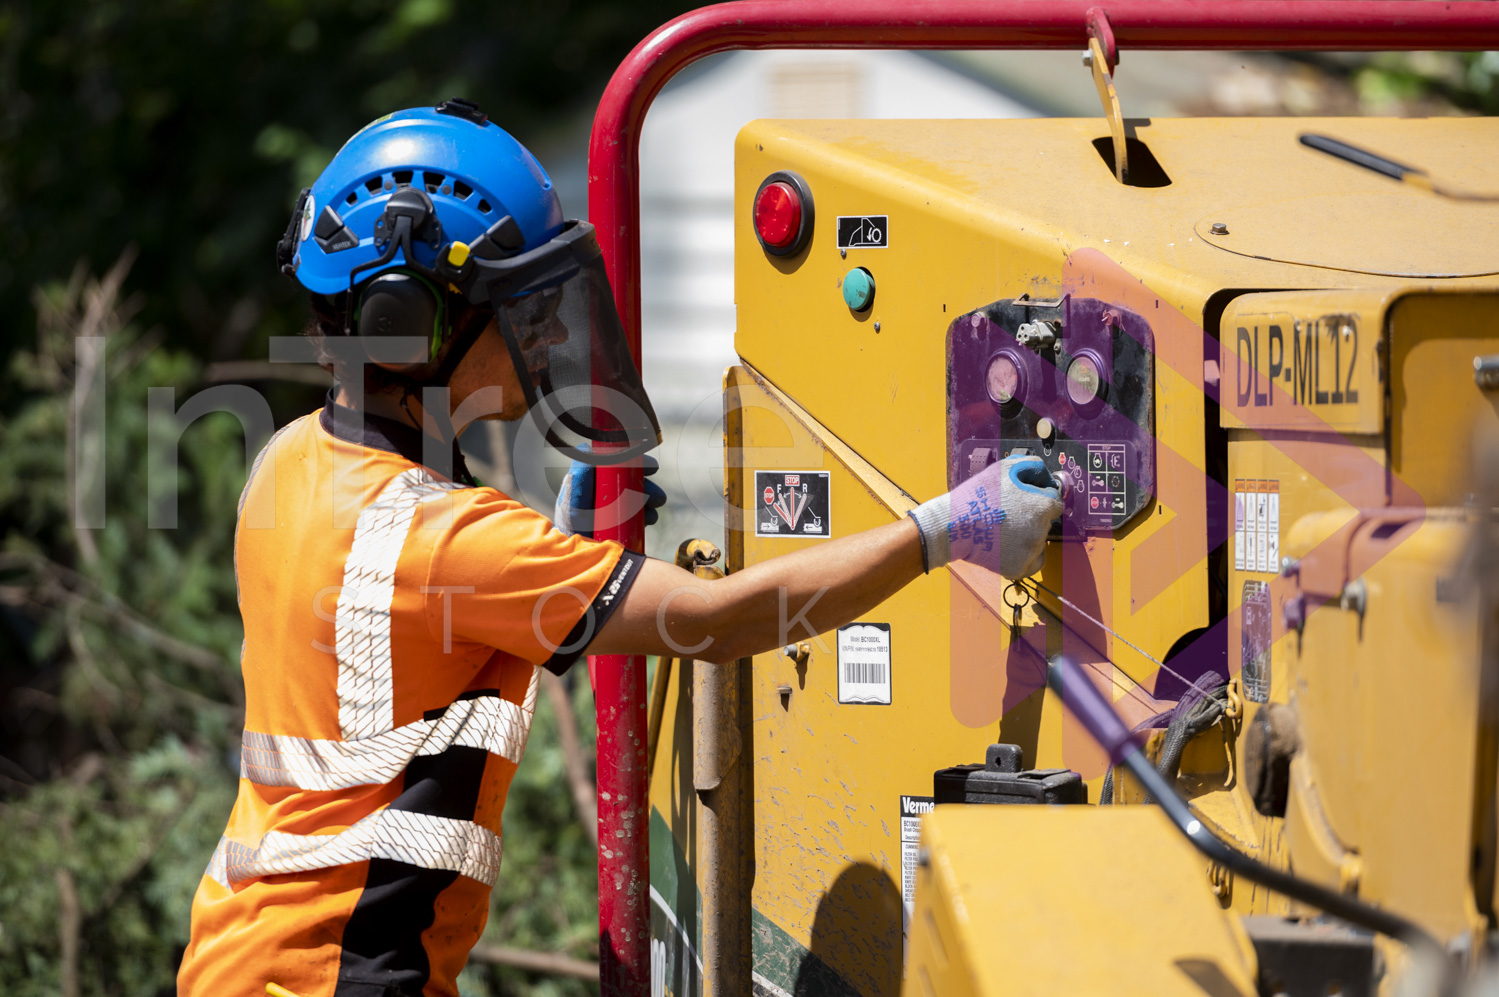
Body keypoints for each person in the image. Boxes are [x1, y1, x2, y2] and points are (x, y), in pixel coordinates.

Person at [177, 100, 1061, 997]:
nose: (551, 335)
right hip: (337, 977)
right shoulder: (443, 539)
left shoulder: (291, 461)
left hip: (242, 962)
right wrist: (943, 530)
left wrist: (553, 555)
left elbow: (408, 646)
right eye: (519, 309)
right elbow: (717, 620)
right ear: (405, 328)